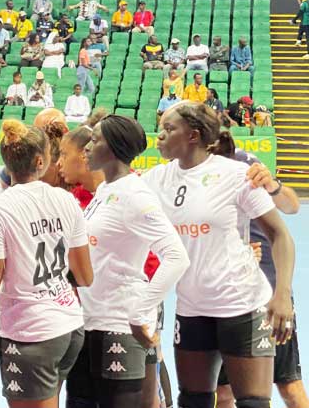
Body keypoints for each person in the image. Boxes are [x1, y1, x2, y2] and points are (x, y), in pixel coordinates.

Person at [145, 102, 295, 408]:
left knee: (253, 402)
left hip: (243, 305)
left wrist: (281, 294)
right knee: (194, 401)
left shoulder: (236, 175)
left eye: (169, 129)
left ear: (193, 136)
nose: (160, 136)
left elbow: (280, 235)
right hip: (191, 308)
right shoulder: (155, 179)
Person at [0, 118, 93, 407]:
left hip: (31, 332)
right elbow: (85, 276)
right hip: (71, 325)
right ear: (41, 161)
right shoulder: (65, 199)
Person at [66, 115, 189, 408]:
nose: (86, 149)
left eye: (94, 141)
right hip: (89, 324)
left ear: (112, 147)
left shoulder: (135, 195)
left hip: (118, 325)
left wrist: (140, 311)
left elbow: (176, 257)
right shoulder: (106, 190)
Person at [211, 134, 307, 408]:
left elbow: (292, 205)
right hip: (221, 296)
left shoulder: (245, 164)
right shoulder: (189, 171)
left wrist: (273, 185)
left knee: (288, 383)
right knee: (224, 390)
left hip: (266, 289)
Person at [56, 124, 104, 209]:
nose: (58, 163)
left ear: (85, 154)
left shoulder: (123, 191)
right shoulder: (72, 199)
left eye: (64, 154)